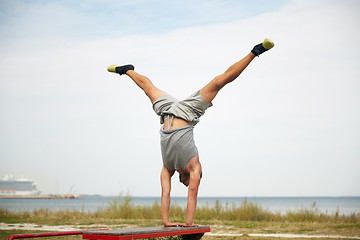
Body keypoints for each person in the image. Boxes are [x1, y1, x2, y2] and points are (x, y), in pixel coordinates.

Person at [107, 39, 274, 227]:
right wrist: (189, 223)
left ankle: (126, 70)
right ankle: (255, 52)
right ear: (198, 175)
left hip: (167, 111)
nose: (186, 185)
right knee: (219, 82)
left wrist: (166, 221)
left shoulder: (167, 167)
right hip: (188, 111)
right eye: (188, 183)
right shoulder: (195, 167)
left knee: (148, 89)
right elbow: (193, 194)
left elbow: (165, 193)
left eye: (186, 184)